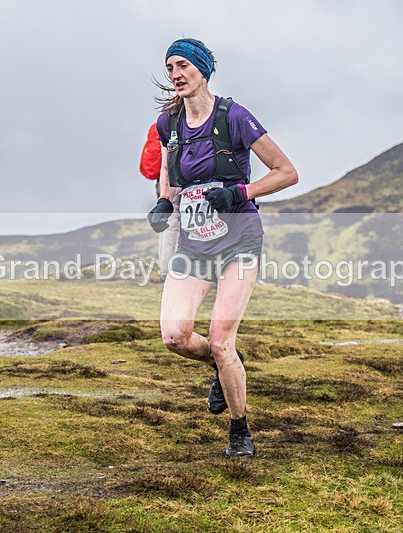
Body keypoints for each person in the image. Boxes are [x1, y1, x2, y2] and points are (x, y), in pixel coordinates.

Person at [147, 38, 298, 457]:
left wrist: (240, 193)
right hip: (194, 242)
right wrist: (164, 200)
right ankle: (221, 366)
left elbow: (287, 172)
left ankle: (239, 429)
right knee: (174, 336)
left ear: (202, 70)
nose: (176, 74)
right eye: (170, 66)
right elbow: (168, 170)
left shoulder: (234, 117)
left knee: (219, 338)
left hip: (239, 239)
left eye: (183, 66)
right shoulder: (168, 123)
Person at [140, 122, 180, 280]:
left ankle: (165, 269)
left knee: (167, 224)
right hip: (176, 180)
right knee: (175, 224)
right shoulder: (181, 123)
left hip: (161, 180)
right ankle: (171, 271)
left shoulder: (159, 125)